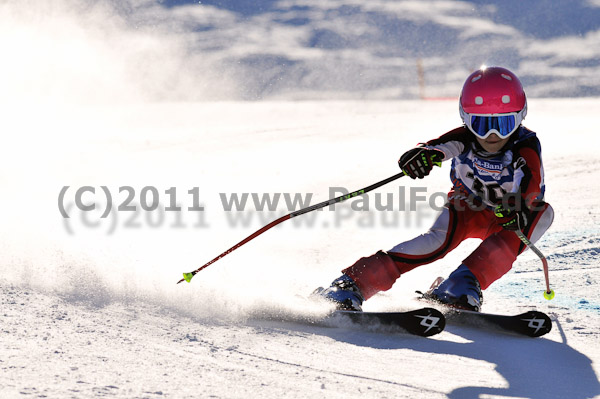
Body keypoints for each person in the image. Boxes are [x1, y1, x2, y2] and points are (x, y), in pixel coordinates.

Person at [314, 66, 554, 312]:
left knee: (541, 213)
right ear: (466, 119)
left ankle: (461, 284)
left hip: (507, 217)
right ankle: (352, 283)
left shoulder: (525, 145)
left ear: (521, 116)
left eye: (504, 124)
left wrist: (517, 205)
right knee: (436, 242)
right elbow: (438, 147)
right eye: (480, 125)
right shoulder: (465, 138)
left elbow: (531, 182)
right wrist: (422, 156)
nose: (492, 135)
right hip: (466, 208)